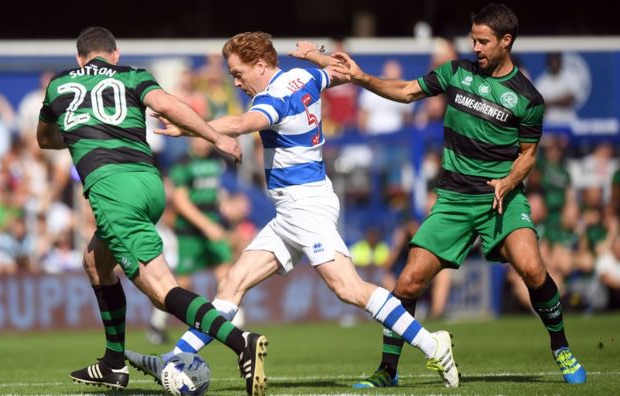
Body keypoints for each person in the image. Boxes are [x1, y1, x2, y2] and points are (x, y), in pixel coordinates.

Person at [125, 31, 459, 389]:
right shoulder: (304, 76)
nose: (236, 82)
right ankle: (173, 359)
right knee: (232, 282)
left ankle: (431, 343)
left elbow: (239, 124)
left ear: (261, 64)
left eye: (238, 73)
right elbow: (339, 72)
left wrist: (192, 128)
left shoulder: (274, 98)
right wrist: (315, 55)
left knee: (348, 288)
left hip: (305, 207)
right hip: (295, 209)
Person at [326, 3, 586, 386]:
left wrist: (508, 182)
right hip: (453, 199)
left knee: (532, 270)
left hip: (501, 199)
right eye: (473, 39)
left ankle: (561, 347)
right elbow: (406, 91)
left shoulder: (528, 98)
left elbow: (528, 157)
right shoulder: (455, 73)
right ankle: (388, 371)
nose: (475, 47)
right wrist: (361, 77)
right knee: (408, 282)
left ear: (506, 41)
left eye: (483, 41)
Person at [37, 27, 268, 396]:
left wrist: (76, 128)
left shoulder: (59, 86)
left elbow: (44, 140)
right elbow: (165, 104)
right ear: (114, 54)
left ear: (80, 58)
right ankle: (113, 364)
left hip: (112, 188)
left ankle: (243, 342)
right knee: (96, 262)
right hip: (149, 183)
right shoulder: (132, 74)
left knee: (162, 290)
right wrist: (215, 136)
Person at [146, 137, 239, 345]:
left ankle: (236, 323)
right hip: (190, 230)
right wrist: (207, 226)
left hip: (214, 224)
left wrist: (226, 208)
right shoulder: (183, 163)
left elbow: (217, 193)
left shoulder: (216, 161)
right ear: (189, 139)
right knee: (183, 282)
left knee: (225, 270)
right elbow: (181, 202)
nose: (202, 142)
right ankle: (157, 324)